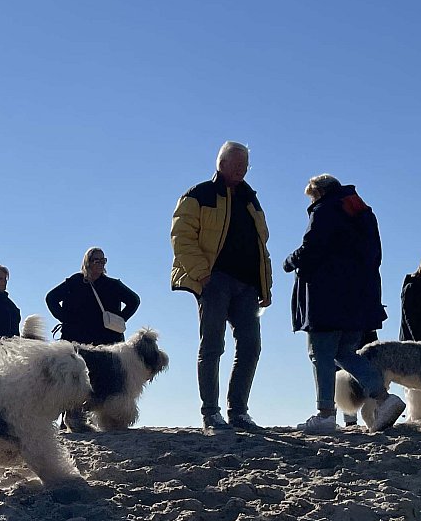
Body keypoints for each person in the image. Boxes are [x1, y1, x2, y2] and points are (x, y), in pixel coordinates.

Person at [283, 175, 403, 434]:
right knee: (345, 353)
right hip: (358, 300)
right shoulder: (363, 213)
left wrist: (290, 261)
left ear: (318, 192)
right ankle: (384, 399)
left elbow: (312, 247)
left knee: (320, 354)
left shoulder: (325, 210)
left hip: (327, 299)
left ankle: (325, 414)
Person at [170, 141, 273, 431]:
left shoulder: (251, 200)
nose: (242, 170)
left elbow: (261, 245)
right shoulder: (199, 194)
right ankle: (211, 412)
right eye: (237, 164)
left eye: (245, 165)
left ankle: (238, 411)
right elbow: (181, 237)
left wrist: (266, 286)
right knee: (213, 345)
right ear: (221, 163)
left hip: (248, 286)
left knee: (251, 346)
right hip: (214, 281)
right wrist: (203, 275)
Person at [45, 248, 141, 345]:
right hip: (76, 340)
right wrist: (67, 319)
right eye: (97, 260)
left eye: (103, 261)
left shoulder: (113, 285)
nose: (101, 263)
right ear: (88, 262)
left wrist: (119, 319)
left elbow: (134, 301)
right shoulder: (75, 282)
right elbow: (51, 298)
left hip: (107, 342)